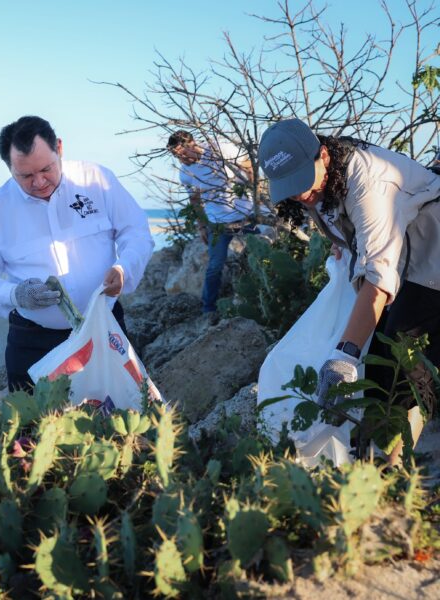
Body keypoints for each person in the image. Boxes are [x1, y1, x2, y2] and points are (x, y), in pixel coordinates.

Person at [259, 117, 440, 465]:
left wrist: (344, 356)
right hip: (405, 260)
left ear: (323, 155)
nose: (300, 194)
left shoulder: (369, 183)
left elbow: (377, 278)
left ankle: (386, 467)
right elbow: (340, 229)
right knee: (388, 361)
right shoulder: (322, 183)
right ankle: (380, 460)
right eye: (290, 187)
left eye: (303, 182)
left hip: (432, 256)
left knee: (397, 359)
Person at [0, 115, 154, 392]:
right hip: (33, 340)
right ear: (9, 167)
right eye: (25, 176)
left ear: (59, 148)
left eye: (46, 169)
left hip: (104, 328)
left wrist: (124, 268)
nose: (39, 182)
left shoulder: (97, 180)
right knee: (32, 430)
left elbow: (135, 232)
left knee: (115, 421)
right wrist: (14, 294)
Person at [167, 130, 260, 314]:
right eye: (177, 157)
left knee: (261, 255)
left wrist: (254, 195)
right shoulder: (186, 173)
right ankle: (208, 309)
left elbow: (249, 166)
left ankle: (264, 298)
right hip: (218, 222)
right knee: (214, 266)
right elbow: (195, 200)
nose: (182, 159)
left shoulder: (220, 149)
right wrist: (201, 225)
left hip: (247, 214)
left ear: (192, 144)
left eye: (183, 154)